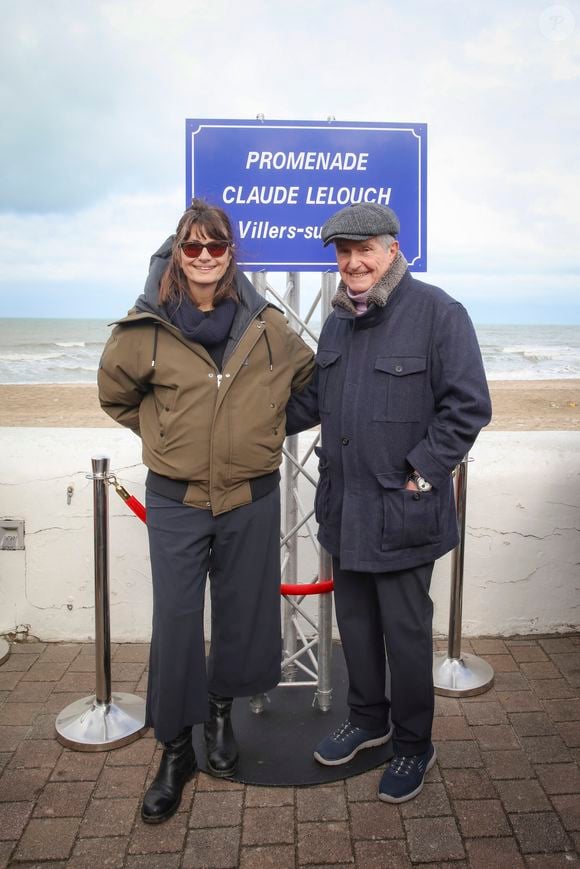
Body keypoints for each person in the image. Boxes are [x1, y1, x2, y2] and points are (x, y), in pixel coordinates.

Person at [98, 199, 314, 823]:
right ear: (177, 252)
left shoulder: (267, 326)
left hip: (250, 496)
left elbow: (308, 385)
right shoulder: (144, 327)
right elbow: (116, 395)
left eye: (215, 246)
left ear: (230, 254)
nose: (203, 257)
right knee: (176, 621)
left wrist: (262, 430)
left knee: (243, 615)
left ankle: (221, 715)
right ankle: (174, 749)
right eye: (192, 246)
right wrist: (166, 434)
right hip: (177, 501)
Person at [286, 202, 491, 803]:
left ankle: (413, 744)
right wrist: (242, 414)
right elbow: (311, 404)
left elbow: (468, 407)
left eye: (364, 250)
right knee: (355, 625)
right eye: (344, 253)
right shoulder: (336, 323)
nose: (353, 262)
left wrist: (420, 474)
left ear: (392, 250)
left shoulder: (439, 313)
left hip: (403, 513)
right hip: (344, 511)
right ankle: (367, 719)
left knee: (404, 634)